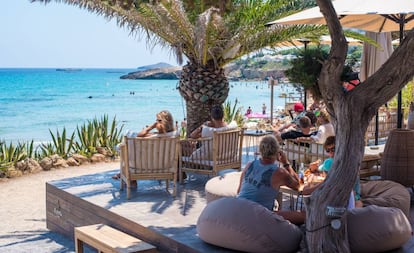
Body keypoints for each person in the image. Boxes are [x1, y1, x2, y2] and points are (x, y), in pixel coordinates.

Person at [237, 135, 305, 225]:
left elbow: (239, 190)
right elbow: (299, 186)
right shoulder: (279, 172)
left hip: (239, 209)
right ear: (278, 152)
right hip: (259, 216)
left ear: (260, 151)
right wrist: (286, 163)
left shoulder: (249, 165)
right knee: (303, 215)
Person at [112, 110, 177, 182]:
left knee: (124, 148)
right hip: (165, 167)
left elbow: (138, 135)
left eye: (157, 120)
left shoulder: (151, 137)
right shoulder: (174, 136)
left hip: (140, 167)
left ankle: (129, 179)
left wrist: (151, 127)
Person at [306, 136, 362, 208]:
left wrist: (313, 169)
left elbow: (320, 170)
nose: (331, 153)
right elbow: (320, 169)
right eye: (328, 150)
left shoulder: (329, 162)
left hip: (342, 194)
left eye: (333, 149)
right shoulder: (349, 158)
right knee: (357, 205)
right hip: (353, 194)